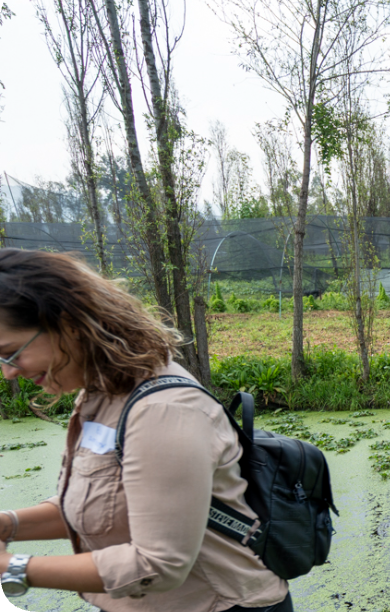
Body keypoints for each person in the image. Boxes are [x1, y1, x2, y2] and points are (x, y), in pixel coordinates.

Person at [0, 249, 291, 611]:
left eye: (11, 353)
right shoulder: (103, 391)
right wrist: (8, 525)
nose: (8, 372)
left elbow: (157, 564)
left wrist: (13, 568)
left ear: (67, 323)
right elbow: (98, 506)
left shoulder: (162, 411)